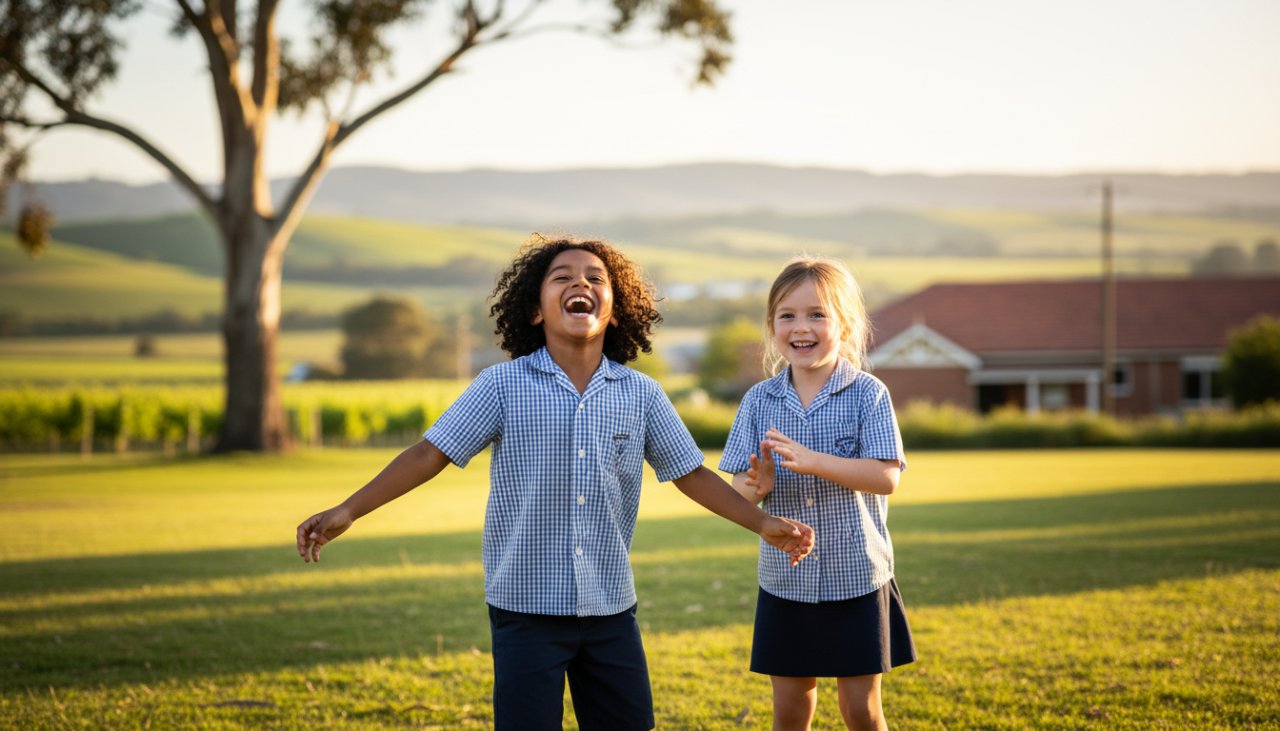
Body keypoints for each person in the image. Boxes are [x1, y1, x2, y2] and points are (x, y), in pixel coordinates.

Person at [296, 235, 815, 731]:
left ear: (615, 308)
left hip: (610, 609)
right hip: (525, 610)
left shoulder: (642, 394)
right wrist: (349, 509)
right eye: (561, 277)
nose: (580, 283)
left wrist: (761, 521)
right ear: (536, 309)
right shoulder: (502, 385)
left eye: (595, 277)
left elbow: (690, 473)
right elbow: (430, 452)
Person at [721, 256, 916, 731]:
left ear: (846, 325)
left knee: (861, 710)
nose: (800, 327)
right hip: (785, 583)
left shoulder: (868, 394)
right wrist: (756, 487)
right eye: (787, 315)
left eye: (817, 314)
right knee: (790, 710)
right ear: (772, 326)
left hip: (858, 577)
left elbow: (887, 476)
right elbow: (737, 492)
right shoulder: (757, 401)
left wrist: (814, 461)